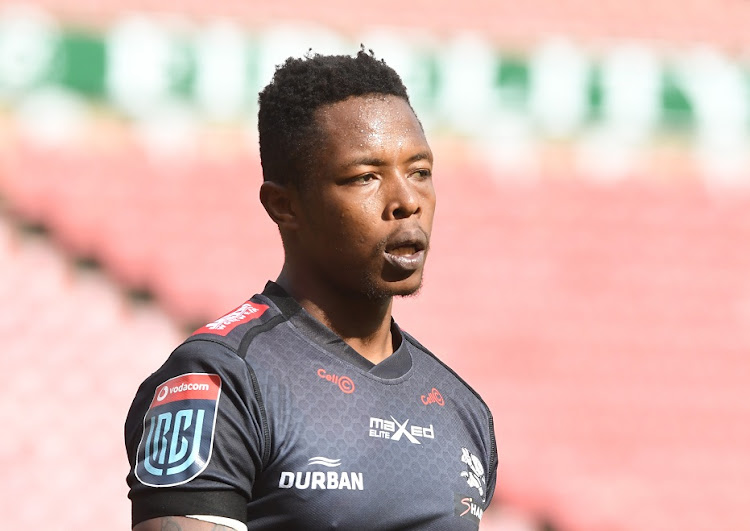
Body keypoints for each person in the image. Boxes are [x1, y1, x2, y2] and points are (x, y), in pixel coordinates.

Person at [125, 49, 497, 530]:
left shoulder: (462, 410)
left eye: (420, 172)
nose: (407, 201)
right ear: (284, 205)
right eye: (365, 177)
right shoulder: (220, 380)